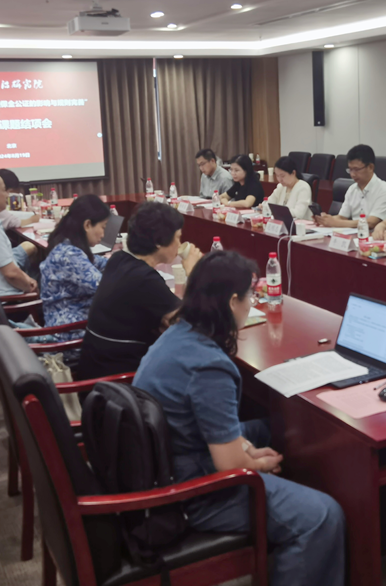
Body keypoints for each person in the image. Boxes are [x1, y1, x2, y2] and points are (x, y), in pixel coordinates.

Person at [133, 251, 345, 586]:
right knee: (322, 515)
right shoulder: (208, 366)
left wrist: (246, 448)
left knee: (275, 428)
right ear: (233, 302)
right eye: (250, 296)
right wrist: (257, 462)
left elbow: (217, 428)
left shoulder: (176, 333)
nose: (251, 304)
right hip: (191, 492)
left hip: (168, 458)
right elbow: (229, 465)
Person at [77, 202, 202, 379]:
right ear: (158, 241)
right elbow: (192, 324)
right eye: (177, 238)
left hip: (96, 369)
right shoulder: (145, 279)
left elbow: (166, 318)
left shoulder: (119, 259)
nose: (179, 244)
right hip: (119, 382)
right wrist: (193, 273)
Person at [39, 195, 111, 341]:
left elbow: (102, 263)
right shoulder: (69, 256)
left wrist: (126, 262)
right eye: (103, 227)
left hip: (72, 328)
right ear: (87, 225)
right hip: (71, 336)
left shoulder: (68, 247)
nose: (103, 234)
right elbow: (106, 289)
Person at [314, 144, 386, 229]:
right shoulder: (352, 189)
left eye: (356, 169)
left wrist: (336, 222)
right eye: (350, 169)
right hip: (355, 234)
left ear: (370, 167)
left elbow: (371, 223)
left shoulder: (384, 190)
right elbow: (342, 217)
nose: (352, 174)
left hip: (377, 235)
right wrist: (325, 219)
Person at [267, 156, 312, 220]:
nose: (279, 179)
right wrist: (263, 206)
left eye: (282, 176)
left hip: (301, 224)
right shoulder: (280, 187)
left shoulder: (303, 187)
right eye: (277, 176)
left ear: (293, 173)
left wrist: (277, 211)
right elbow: (268, 203)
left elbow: (298, 214)